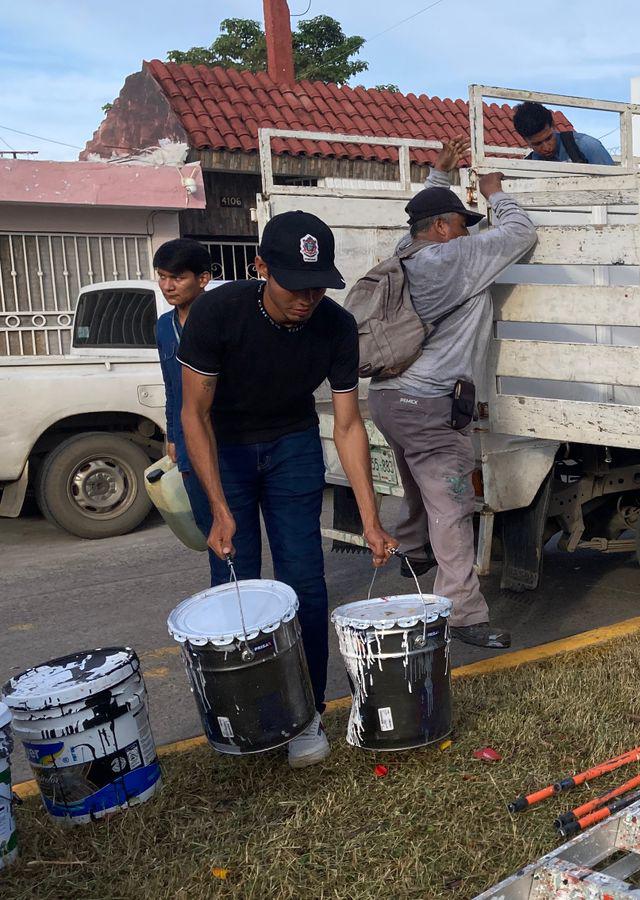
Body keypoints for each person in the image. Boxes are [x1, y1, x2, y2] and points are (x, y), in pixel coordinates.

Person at [179, 210, 396, 768]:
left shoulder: (336, 326)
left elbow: (348, 425)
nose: (307, 298)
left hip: (292, 444)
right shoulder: (217, 312)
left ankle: (305, 715)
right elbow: (193, 415)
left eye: (318, 285)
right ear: (260, 268)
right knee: (239, 586)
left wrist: (370, 519)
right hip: (223, 449)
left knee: (305, 582)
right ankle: (249, 715)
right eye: (294, 285)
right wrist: (218, 509)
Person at [367, 137, 536, 650]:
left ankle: (415, 550)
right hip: (427, 404)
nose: (468, 228)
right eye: (461, 222)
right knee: (454, 505)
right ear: (441, 230)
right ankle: (462, 611)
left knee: (418, 482)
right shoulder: (454, 259)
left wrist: (438, 176)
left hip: (389, 398)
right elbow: (521, 234)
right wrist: (495, 192)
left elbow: (418, 217)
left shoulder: (406, 255)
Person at [153, 239, 213, 478]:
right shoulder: (164, 326)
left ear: (203, 279)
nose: (167, 286)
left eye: (177, 278)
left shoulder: (222, 320)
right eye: (162, 277)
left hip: (227, 440)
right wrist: (173, 437)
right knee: (200, 514)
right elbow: (171, 387)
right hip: (187, 440)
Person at [512, 101, 615, 165]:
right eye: (537, 144)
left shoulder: (587, 146)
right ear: (525, 140)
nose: (546, 147)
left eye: (548, 138)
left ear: (553, 125)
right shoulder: (527, 165)